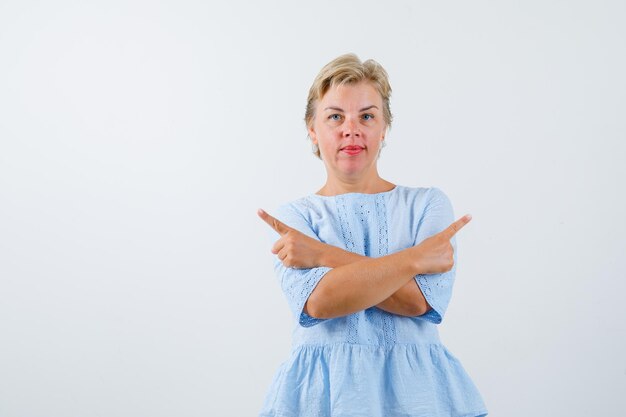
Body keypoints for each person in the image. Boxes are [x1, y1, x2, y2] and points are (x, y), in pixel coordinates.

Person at [256, 53, 488, 417]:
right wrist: (413, 259)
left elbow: (418, 303)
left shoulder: (427, 205)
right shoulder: (295, 217)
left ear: (384, 128)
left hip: (419, 397)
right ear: (312, 129)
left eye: (367, 116)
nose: (352, 129)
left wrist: (320, 254)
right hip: (324, 399)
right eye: (335, 117)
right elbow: (321, 303)